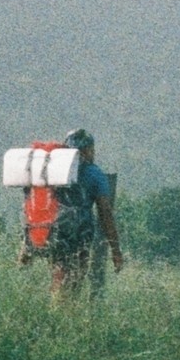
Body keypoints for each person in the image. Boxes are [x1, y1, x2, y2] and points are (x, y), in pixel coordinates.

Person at [27, 125, 126, 301]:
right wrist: (115, 250)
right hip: (81, 232)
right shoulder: (95, 174)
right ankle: (65, 314)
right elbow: (105, 214)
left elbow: (35, 201)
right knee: (76, 277)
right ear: (87, 150)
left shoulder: (52, 170)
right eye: (92, 149)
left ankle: (58, 309)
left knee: (59, 273)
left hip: (54, 229)